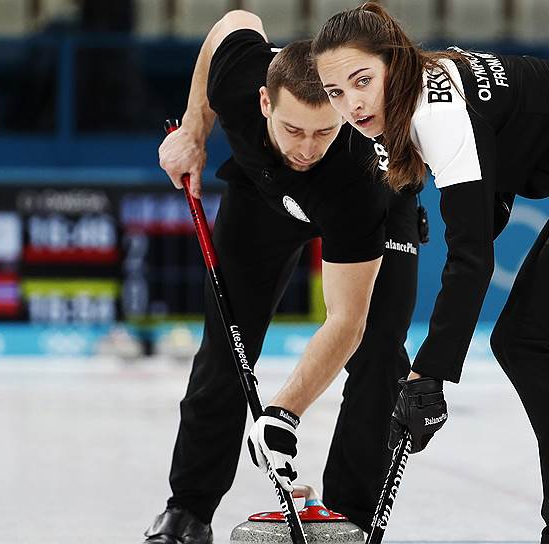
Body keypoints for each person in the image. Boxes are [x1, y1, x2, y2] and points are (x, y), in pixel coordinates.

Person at [312, 4, 549, 544]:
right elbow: (482, 210)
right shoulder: (407, 99)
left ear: (395, 65)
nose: (350, 104)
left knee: (529, 343)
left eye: (361, 81)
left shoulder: (434, 111)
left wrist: (429, 375)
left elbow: (471, 258)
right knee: (524, 342)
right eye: (334, 92)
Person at [145, 10, 420, 543]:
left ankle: (349, 519)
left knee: (380, 352)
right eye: (294, 128)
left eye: (324, 130)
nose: (307, 147)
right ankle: (189, 510)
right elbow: (232, 20)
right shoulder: (240, 80)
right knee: (227, 347)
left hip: (373, 205)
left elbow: (347, 321)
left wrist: (282, 413)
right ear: (264, 103)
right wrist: (194, 129)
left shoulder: (357, 173)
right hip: (261, 198)